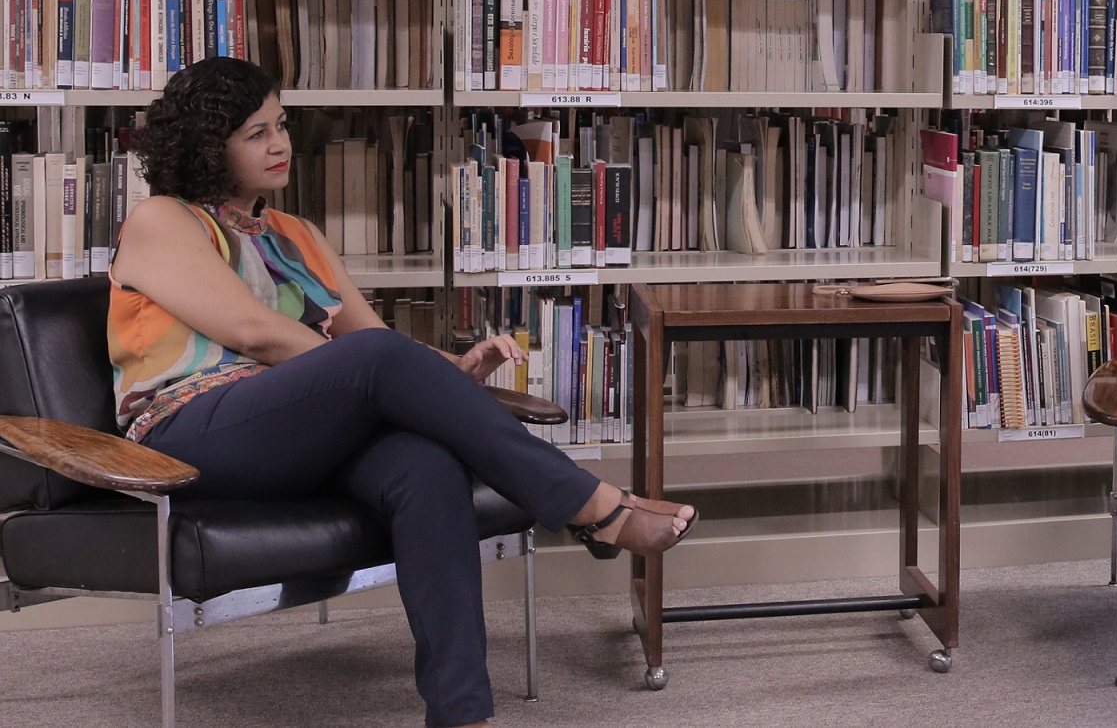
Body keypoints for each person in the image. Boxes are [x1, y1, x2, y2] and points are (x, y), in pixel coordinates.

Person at [108, 56, 696, 728]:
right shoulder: (161, 219)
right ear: (208, 146)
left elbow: (373, 342)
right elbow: (258, 334)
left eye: (282, 125)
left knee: (424, 466)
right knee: (377, 364)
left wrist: (450, 369)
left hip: (297, 435)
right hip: (188, 434)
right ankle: (588, 504)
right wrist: (384, 371)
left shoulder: (296, 235)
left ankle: (461, 713)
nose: (279, 144)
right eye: (256, 133)